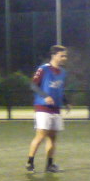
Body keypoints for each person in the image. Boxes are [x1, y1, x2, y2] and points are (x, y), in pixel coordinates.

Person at [26, 45, 71, 173]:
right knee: (40, 136)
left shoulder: (63, 72)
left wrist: (66, 102)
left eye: (65, 56)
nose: (64, 58)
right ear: (54, 55)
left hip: (56, 109)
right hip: (43, 108)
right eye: (62, 55)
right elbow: (33, 85)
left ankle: (50, 165)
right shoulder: (43, 69)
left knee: (52, 138)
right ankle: (30, 163)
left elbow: (60, 90)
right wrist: (45, 96)